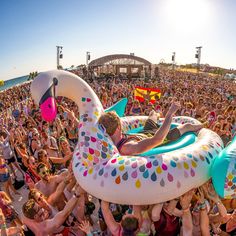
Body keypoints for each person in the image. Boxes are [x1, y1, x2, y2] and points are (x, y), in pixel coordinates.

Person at [98, 102, 203, 155]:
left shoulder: (113, 136)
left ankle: (158, 115)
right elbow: (157, 140)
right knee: (186, 126)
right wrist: (170, 114)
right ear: (117, 128)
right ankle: (203, 125)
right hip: (159, 136)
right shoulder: (127, 147)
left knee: (152, 114)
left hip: (144, 132)